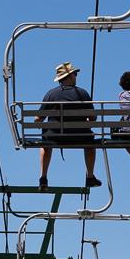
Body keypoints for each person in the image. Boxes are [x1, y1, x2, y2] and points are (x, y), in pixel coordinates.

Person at [37, 62, 102, 190]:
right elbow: (93, 118)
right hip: (80, 136)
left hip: (54, 137)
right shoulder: (82, 93)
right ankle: (90, 176)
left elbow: (38, 118)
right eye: (75, 74)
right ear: (70, 76)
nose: (76, 76)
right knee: (91, 143)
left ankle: (43, 177)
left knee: (45, 143)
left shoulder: (51, 94)